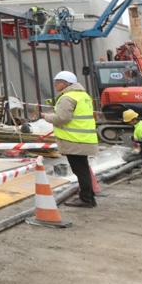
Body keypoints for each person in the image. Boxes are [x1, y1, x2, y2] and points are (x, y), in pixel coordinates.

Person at [42, 70, 98, 207]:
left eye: (57, 83)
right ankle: (89, 196)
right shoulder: (83, 96)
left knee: (80, 170)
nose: (55, 85)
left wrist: (46, 117)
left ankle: (86, 199)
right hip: (85, 138)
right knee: (83, 169)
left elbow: (62, 118)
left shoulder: (67, 97)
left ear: (65, 83)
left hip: (74, 140)